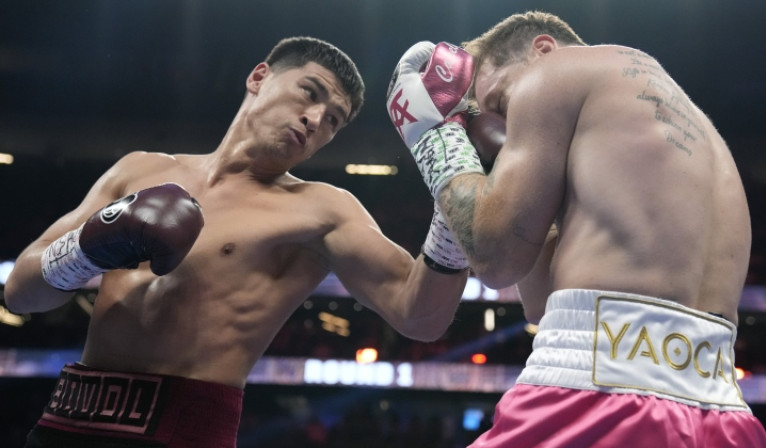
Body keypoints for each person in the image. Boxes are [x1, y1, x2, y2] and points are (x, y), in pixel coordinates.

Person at [4, 36, 469, 448]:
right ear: (259, 76)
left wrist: (455, 200)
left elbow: (420, 316)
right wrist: (87, 250)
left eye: (333, 120)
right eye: (310, 93)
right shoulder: (137, 170)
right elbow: (20, 292)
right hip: (62, 423)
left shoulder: (322, 210)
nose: (314, 119)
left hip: (181, 431)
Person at [386, 11, 766, 447]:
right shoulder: (699, 132)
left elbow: (495, 260)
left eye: (497, 103)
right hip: (722, 415)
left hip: (595, 399)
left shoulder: (555, 72)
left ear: (543, 49)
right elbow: (538, 302)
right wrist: (489, 160)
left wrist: (437, 139)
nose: (494, 125)